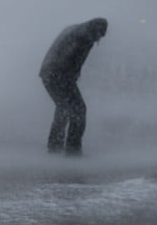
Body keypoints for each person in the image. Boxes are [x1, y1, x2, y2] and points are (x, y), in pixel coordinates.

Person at [40, 18, 108, 155]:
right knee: (79, 110)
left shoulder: (73, 29)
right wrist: (71, 75)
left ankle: (54, 146)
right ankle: (73, 149)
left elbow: (62, 52)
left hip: (47, 73)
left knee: (63, 108)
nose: (98, 40)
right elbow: (74, 58)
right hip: (59, 74)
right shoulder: (86, 36)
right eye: (100, 35)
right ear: (97, 30)